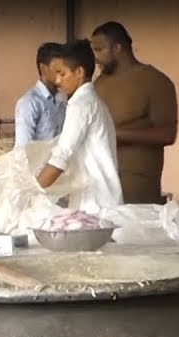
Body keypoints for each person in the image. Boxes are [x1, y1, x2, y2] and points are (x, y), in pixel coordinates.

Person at [90, 21, 178, 204]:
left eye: (99, 50)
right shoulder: (98, 84)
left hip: (136, 182)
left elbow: (168, 134)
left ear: (117, 48)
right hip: (99, 180)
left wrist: (116, 134)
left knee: (131, 231)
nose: (95, 57)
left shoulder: (155, 81)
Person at [35, 39, 122, 213]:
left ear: (79, 72)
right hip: (103, 199)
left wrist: (32, 191)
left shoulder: (81, 105)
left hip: (95, 204)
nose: (58, 80)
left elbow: (61, 157)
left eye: (63, 73)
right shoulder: (94, 102)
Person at [14, 42, 66, 148]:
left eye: (64, 71)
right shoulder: (29, 103)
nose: (62, 75)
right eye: (58, 70)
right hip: (37, 164)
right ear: (43, 68)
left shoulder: (63, 99)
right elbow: (23, 149)